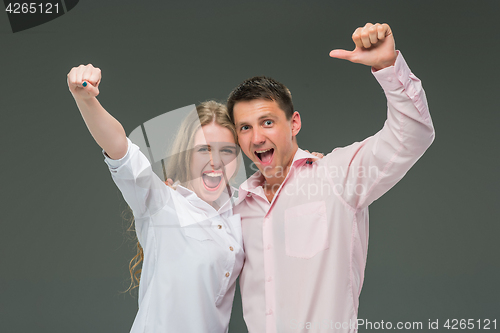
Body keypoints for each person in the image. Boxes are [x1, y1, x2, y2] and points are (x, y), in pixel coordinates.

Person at [226, 23, 435, 332]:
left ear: (294, 123)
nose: (256, 138)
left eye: (267, 122)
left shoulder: (337, 175)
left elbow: (413, 135)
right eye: (245, 127)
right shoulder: (235, 206)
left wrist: (387, 67)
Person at [67, 66, 245, 332]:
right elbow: (120, 149)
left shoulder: (239, 213)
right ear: (187, 154)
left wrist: (311, 163)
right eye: (204, 149)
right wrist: (85, 99)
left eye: (227, 150)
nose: (215, 161)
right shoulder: (163, 203)